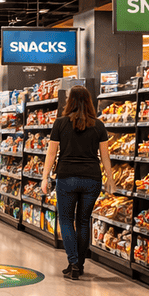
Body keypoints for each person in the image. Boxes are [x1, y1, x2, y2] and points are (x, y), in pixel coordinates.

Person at [40, 85, 112, 280]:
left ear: (69, 101)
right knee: (83, 221)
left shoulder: (60, 123)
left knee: (65, 219)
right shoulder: (98, 125)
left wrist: (45, 177)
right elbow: (105, 156)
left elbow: (51, 153)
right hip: (92, 179)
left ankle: (73, 262)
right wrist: (110, 179)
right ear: (89, 102)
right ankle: (79, 264)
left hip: (66, 177)